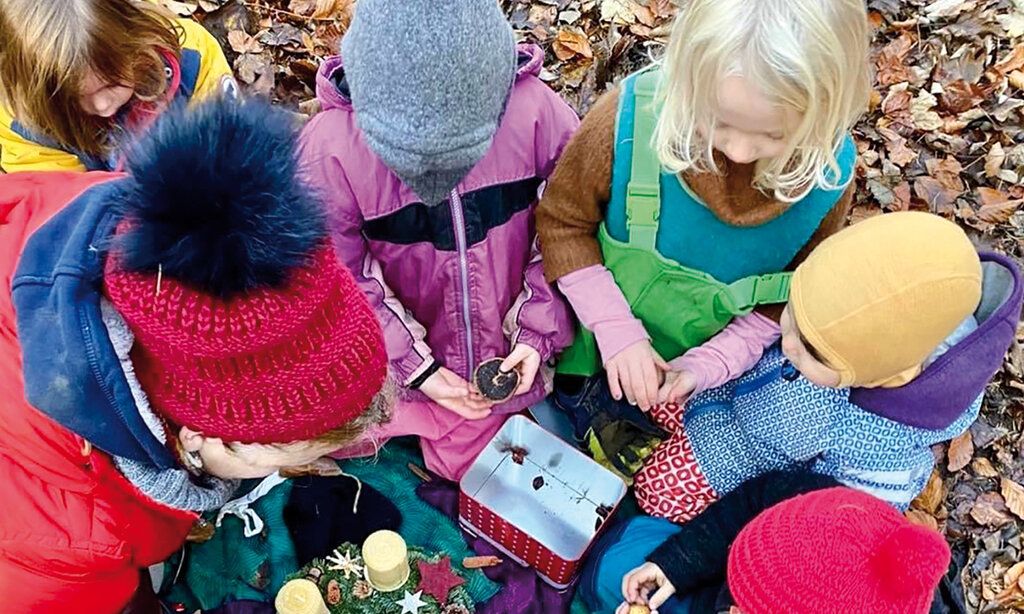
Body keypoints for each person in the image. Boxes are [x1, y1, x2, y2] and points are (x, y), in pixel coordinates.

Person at [0, 98, 389, 612]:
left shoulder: (141, 228)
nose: (311, 466)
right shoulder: (58, 553)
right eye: (292, 456)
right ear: (197, 437)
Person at [536, 0, 871, 478]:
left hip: (700, 377)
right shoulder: (628, 123)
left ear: (826, 114)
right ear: (687, 75)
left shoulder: (826, 180)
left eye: (773, 136)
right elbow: (562, 223)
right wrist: (614, 329)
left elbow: (789, 297)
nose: (737, 150)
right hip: (584, 336)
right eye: (718, 121)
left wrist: (713, 362)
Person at [299, 0, 576, 479]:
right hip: (396, 355)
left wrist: (535, 334)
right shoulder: (329, 153)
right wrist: (415, 368)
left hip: (510, 345)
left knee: (488, 470)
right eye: (408, 159)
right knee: (317, 436)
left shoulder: (537, 113)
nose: (435, 179)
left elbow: (569, 227)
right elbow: (337, 281)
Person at [631, 212, 1023, 522]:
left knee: (656, 493)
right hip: (734, 389)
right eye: (792, 314)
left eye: (811, 349)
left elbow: (849, 516)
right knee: (648, 392)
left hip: (750, 460)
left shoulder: (882, 440)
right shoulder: (844, 314)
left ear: (878, 370)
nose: (787, 343)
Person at [580, 471, 953, 614]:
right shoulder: (825, 509)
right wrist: (676, 564)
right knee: (616, 566)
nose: (733, 610)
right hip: (703, 589)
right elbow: (750, 503)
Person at [0, 0, 235, 173]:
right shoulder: (21, 122)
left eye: (111, 84)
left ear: (136, 39)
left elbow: (229, 141)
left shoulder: (193, 57)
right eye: (74, 98)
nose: (102, 105)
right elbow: (58, 208)